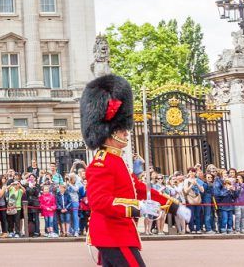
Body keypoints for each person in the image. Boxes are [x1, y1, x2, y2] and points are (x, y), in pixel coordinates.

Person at [81, 74, 190, 266]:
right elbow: (100, 202)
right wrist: (137, 207)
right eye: (122, 129)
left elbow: (138, 188)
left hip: (117, 233)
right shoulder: (102, 163)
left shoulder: (116, 160)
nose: (126, 133)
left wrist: (173, 206)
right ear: (110, 132)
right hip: (112, 234)